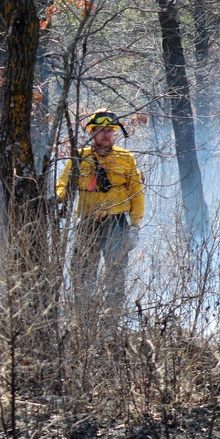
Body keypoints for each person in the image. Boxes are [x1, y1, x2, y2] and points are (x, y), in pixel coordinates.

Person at [56, 109, 145, 315]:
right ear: (92, 132)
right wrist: (59, 198)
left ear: (115, 133)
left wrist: (135, 226)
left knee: (115, 276)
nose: (106, 134)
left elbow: (137, 193)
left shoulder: (126, 158)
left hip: (116, 224)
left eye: (110, 130)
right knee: (82, 274)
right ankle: (83, 319)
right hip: (87, 223)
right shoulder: (80, 158)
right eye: (100, 130)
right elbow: (63, 184)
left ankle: (110, 322)